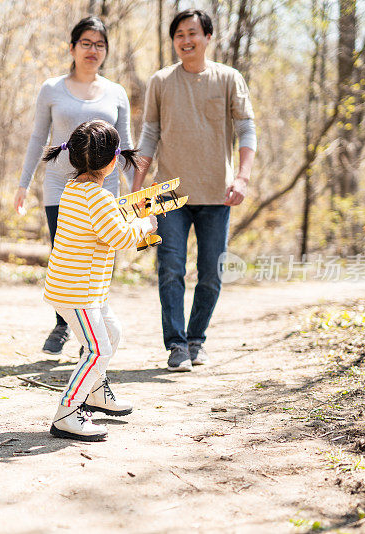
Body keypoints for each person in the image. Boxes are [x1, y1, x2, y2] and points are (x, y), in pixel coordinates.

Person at [132, 9, 257, 372]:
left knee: (211, 273)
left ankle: (196, 339)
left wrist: (243, 178)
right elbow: (149, 135)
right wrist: (137, 191)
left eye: (192, 33)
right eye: (178, 35)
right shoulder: (160, 81)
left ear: (207, 37)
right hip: (168, 192)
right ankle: (176, 345)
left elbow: (247, 130)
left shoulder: (229, 78)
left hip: (218, 192)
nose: (185, 41)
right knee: (170, 269)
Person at [15, 16, 134, 356]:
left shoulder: (117, 92)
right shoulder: (52, 88)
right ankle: (63, 322)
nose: (93, 50)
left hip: (106, 186)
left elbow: (124, 145)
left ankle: (91, 329)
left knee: (102, 255)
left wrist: (136, 188)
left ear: (106, 50)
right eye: (86, 43)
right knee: (67, 254)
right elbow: (38, 137)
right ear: (72, 47)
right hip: (60, 188)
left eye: (100, 44)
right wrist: (23, 183)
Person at [42, 120, 157, 441]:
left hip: (81, 289)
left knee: (111, 333)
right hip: (77, 292)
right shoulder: (100, 197)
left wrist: (129, 216)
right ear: (110, 161)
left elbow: (102, 229)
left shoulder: (75, 189)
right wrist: (146, 224)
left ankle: (94, 393)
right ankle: (67, 413)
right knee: (97, 350)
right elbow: (119, 238)